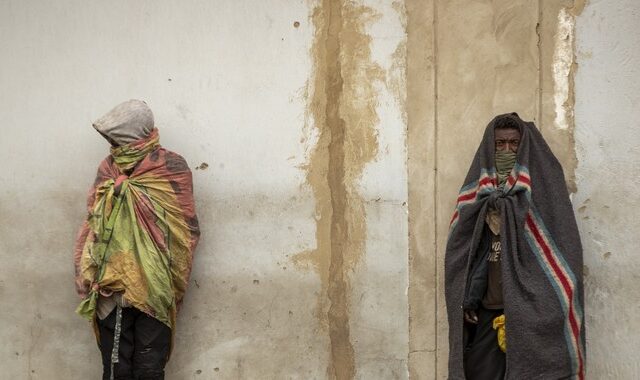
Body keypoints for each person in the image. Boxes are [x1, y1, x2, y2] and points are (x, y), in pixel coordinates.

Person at [445, 113, 585, 379]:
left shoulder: (543, 192)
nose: (507, 150)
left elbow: (563, 255)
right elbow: (469, 251)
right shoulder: (479, 196)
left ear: (524, 148)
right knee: (479, 372)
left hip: (532, 312)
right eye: (500, 144)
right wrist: (470, 298)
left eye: (513, 144)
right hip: (489, 309)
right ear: (490, 147)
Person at [74, 99, 200, 380]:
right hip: (112, 286)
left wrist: (127, 192)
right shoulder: (109, 168)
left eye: (117, 137)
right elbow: (94, 218)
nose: (113, 144)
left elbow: (184, 227)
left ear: (133, 132)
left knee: (149, 368)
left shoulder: (171, 166)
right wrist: (116, 193)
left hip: (155, 284)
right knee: (116, 368)